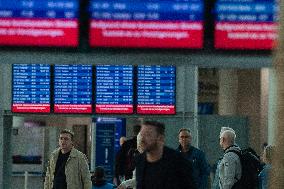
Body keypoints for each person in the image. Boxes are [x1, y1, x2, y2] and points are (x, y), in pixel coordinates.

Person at [135, 120, 196, 189]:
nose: (142, 139)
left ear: (160, 138)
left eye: (148, 135)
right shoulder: (140, 161)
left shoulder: (179, 162)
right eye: (141, 135)